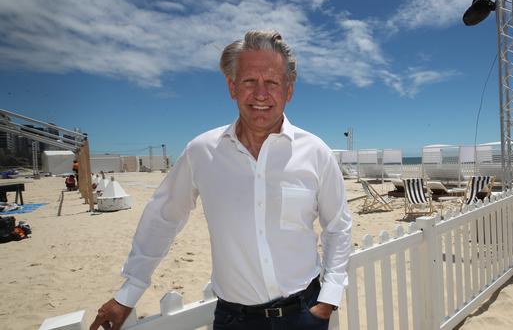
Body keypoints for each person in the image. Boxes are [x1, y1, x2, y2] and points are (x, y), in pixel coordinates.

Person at [90, 30, 352, 330]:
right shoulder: (202, 152)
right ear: (232, 86)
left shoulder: (315, 152)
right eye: (249, 81)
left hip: (304, 314)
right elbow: (164, 217)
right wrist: (129, 292)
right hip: (234, 320)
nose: (261, 94)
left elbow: (338, 227)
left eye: (272, 82)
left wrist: (328, 298)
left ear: (288, 90)